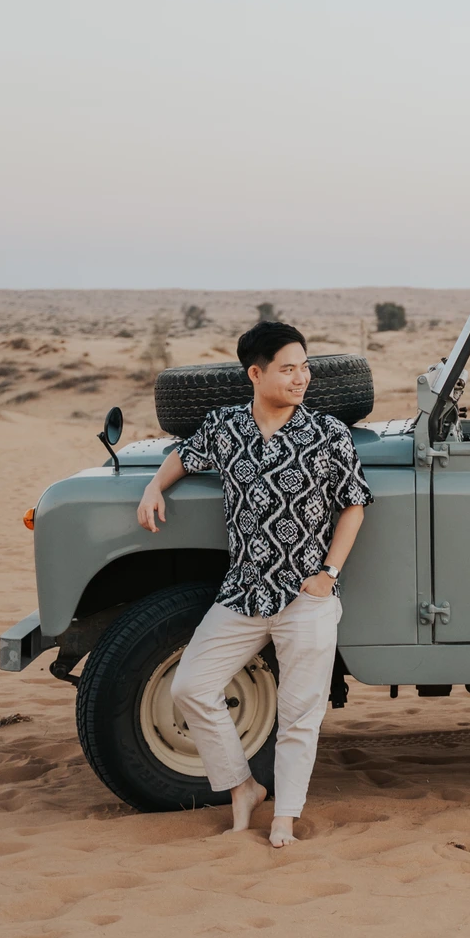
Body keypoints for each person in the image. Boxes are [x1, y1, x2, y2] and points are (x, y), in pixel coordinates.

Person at [134, 321, 370, 847]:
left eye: (305, 367)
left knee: (300, 714)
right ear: (256, 373)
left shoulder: (327, 433)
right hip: (242, 592)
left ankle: (284, 816)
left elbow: (354, 503)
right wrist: (154, 487)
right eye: (288, 369)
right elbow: (183, 455)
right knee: (191, 686)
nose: (301, 377)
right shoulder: (225, 426)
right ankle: (242, 786)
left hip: (306, 596)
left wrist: (327, 575)